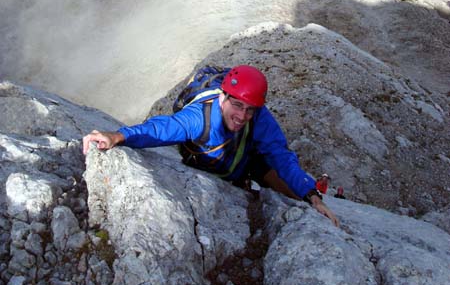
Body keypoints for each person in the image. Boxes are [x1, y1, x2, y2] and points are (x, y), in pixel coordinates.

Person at [83, 65, 339, 227]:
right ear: (221, 97)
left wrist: (312, 197)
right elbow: (162, 128)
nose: (242, 116)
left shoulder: (259, 118)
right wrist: (118, 136)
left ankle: (312, 195)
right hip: (211, 167)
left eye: (249, 110)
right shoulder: (199, 117)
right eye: (237, 105)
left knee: (294, 193)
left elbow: (281, 156)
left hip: (246, 162)